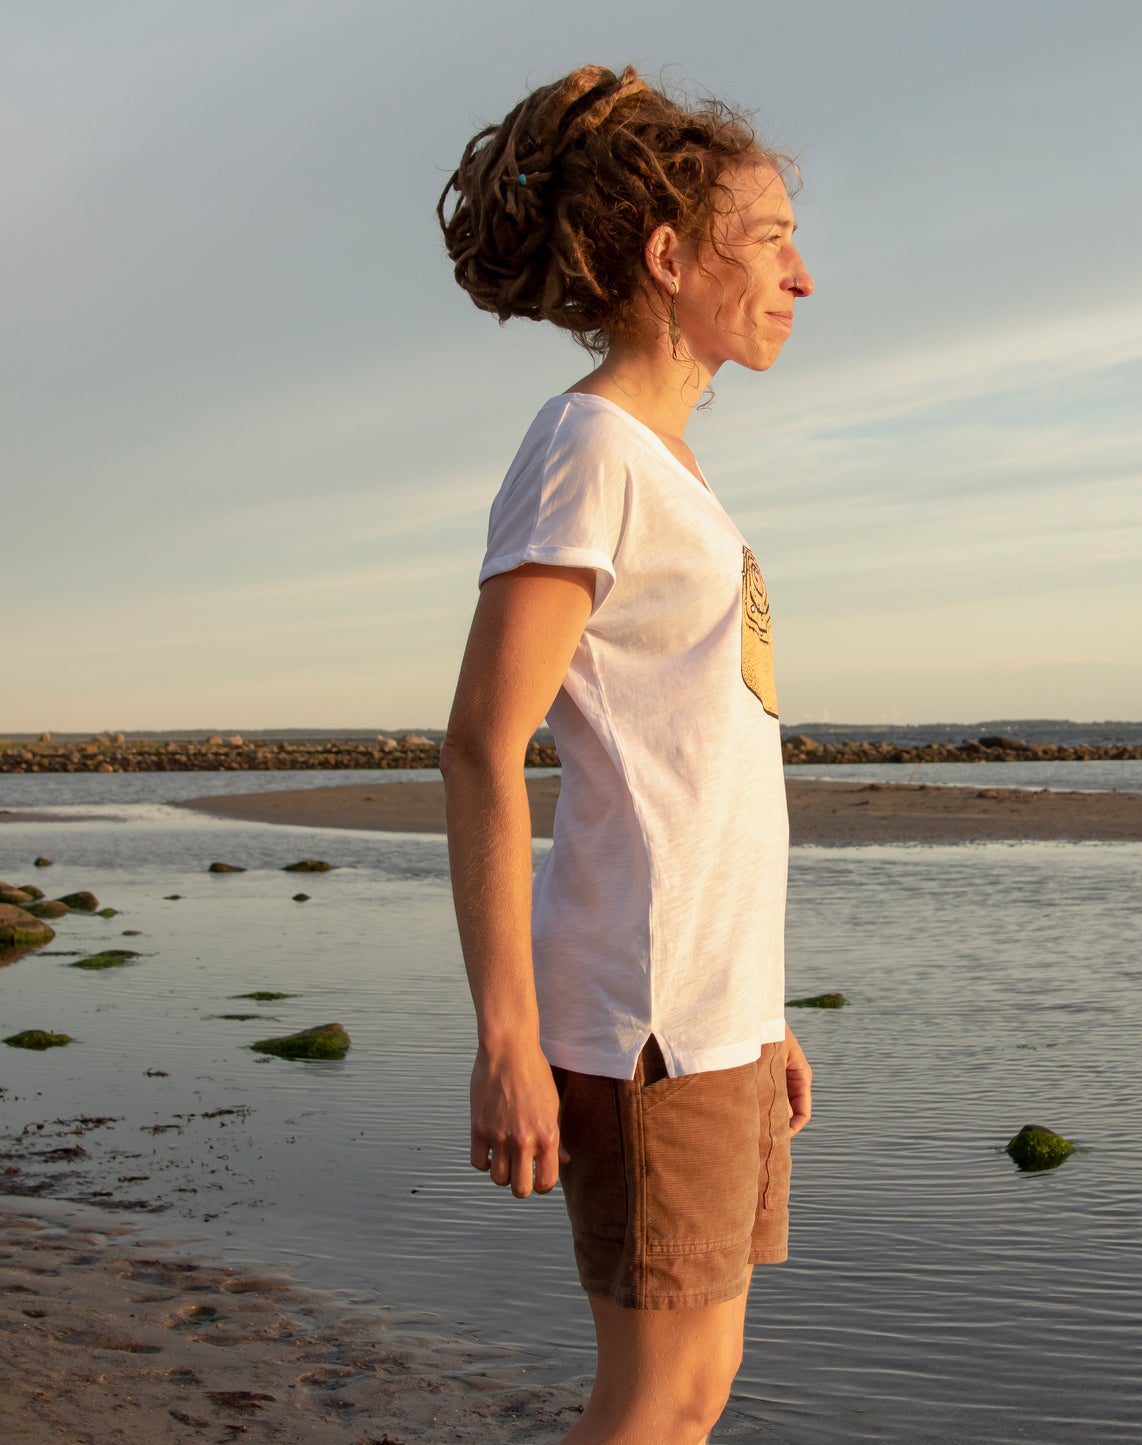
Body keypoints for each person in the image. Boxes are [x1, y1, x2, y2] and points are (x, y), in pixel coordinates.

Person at [436, 64, 814, 1444]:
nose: (801, 276)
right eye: (770, 238)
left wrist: (762, 1007)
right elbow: (482, 745)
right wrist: (506, 1039)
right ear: (670, 257)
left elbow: (701, 767)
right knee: (651, 1400)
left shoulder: (670, 468)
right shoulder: (586, 444)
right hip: (638, 1022)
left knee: (695, 1391)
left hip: (709, 1020)